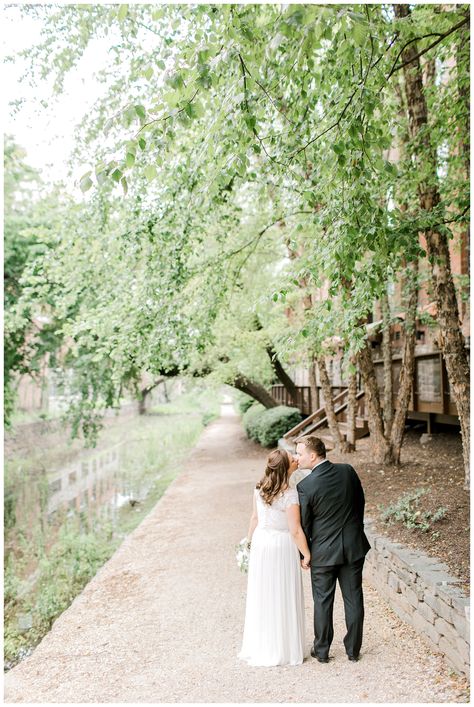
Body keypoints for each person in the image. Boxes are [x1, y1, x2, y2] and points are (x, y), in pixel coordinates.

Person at [295, 435, 371, 664]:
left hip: (323, 553)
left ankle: (322, 650)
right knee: (354, 597)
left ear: (312, 455)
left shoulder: (305, 486)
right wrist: (355, 532)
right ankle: (353, 650)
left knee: (322, 601)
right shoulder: (347, 471)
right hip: (352, 547)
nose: (297, 459)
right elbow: (360, 503)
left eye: (299, 454)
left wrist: (304, 554)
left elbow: (305, 525)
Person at [238, 449, 311, 666]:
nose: (296, 459)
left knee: (264, 592)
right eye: (292, 459)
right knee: (282, 591)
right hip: (281, 545)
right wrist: (307, 554)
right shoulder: (289, 494)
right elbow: (296, 530)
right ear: (285, 467)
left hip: (261, 542)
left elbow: (254, 518)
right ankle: (282, 648)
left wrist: (249, 543)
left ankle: (263, 644)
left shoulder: (259, 488)